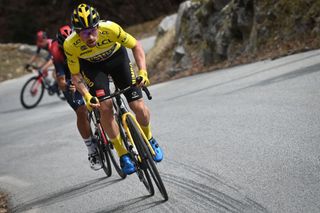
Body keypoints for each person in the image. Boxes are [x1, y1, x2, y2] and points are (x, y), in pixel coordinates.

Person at [64, 3, 163, 175]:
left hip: (117, 61)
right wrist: (87, 96)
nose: (90, 37)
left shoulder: (111, 29)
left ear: (98, 26)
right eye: (84, 33)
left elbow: (136, 46)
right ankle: (123, 154)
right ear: (76, 32)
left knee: (138, 106)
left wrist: (143, 72)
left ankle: (149, 138)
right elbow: (76, 76)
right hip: (93, 69)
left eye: (93, 30)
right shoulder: (70, 45)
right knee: (105, 107)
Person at [50, 25, 102, 170]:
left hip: (84, 74)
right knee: (81, 110)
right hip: (70, 80)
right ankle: (91, 149)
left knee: (104, 99)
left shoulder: (80, 41)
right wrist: (67, 85)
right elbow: (60, 79)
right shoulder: (57, 53)